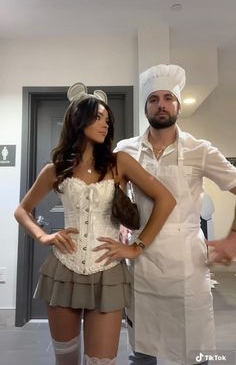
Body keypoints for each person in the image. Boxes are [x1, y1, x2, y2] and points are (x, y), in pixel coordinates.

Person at [14, 83, 175, 365]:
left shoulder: (119, 162)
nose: (105, 123)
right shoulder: (55, 169)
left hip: (107, 271)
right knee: (66, 359)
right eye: (98, 117)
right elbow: (22, 210)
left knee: (101, 361)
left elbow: (166, 199)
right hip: (64, 269)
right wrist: (43, 237)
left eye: (107, 119)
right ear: (78, 119)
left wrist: (137, 246)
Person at [114, 64, 236, 365]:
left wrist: (232, 239)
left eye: (168, 97)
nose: (162, 105)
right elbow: (111, 194)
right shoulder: (125, 150)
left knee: (196, 351)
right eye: (154, 99)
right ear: (145, 108)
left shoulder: (200, 150)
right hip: (141, 261)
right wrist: (120, 225)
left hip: (188, 266)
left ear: (178, 104)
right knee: (143, 351)